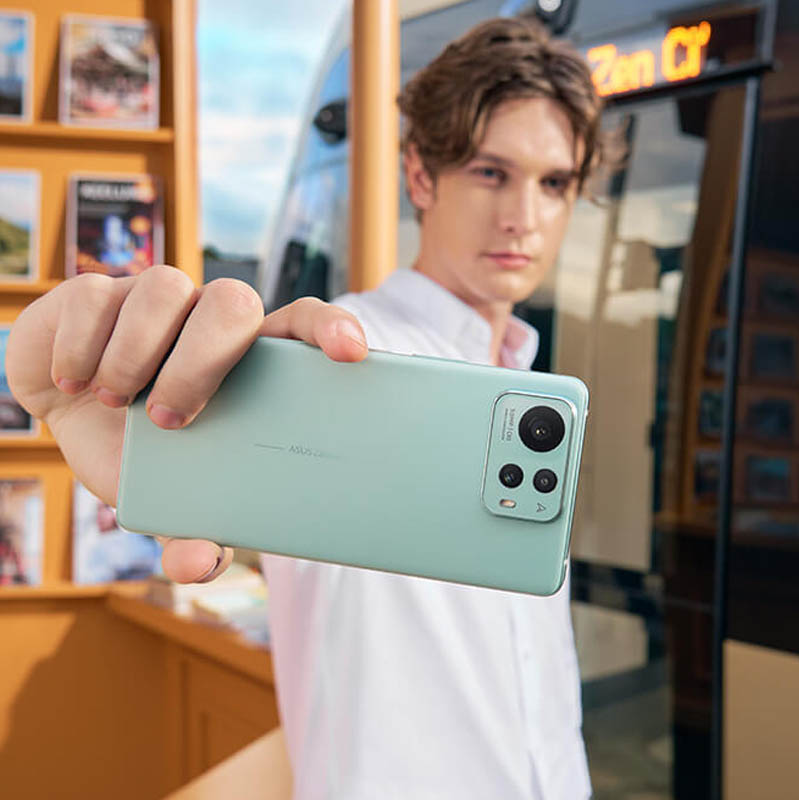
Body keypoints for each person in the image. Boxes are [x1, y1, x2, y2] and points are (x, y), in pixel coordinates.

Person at [6, 17, 606, 799]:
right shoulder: (339, 356)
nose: (525, 215)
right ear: (421, 176)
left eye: (554, 182)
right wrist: (159, 404)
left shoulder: (531, 391)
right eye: (492, 172)